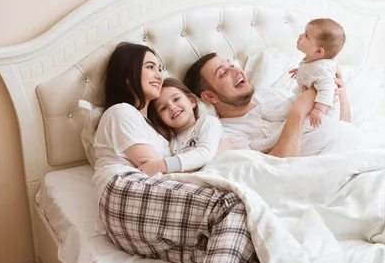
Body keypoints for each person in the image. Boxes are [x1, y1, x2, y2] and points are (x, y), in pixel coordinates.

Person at [92, 42, 314, 263]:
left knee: (236, 248)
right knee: (234, 205)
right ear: (128, 77)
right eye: (149, 67)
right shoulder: (121, 112)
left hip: (139, 221)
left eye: (160, 67)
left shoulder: (160, 133)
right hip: (123, 194)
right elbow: (152, 169)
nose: (158, 73)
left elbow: (171, 172)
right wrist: (212, 154)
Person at [183, 51, 362, 157]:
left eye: (232, 64)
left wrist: (339, 93)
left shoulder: (270, 94)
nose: (236, 70)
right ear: (210, 97)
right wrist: (297, 114)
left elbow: (342, 125)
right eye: (223, 73)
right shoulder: (224, 133)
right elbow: (275, 169)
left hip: (347, 148)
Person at [137, 78, 224, 176]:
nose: (172, 107)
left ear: (192, 102)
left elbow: (205, 153)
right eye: (163, 108)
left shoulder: (208, 122)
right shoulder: (171, 143)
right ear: (160, 120)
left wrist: (163, 165)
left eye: (176, 99)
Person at [291, 18, 345, 128]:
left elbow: (328, 90)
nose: (300, 36)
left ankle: (271, 141)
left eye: (306, 36)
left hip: (322, 115)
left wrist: (318, 110)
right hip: (307, 104)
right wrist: (302, 72)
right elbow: (313, 74)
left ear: (319, 52)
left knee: (293, 125)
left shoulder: (324, 70)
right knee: (289, 108)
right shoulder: (314, 61)